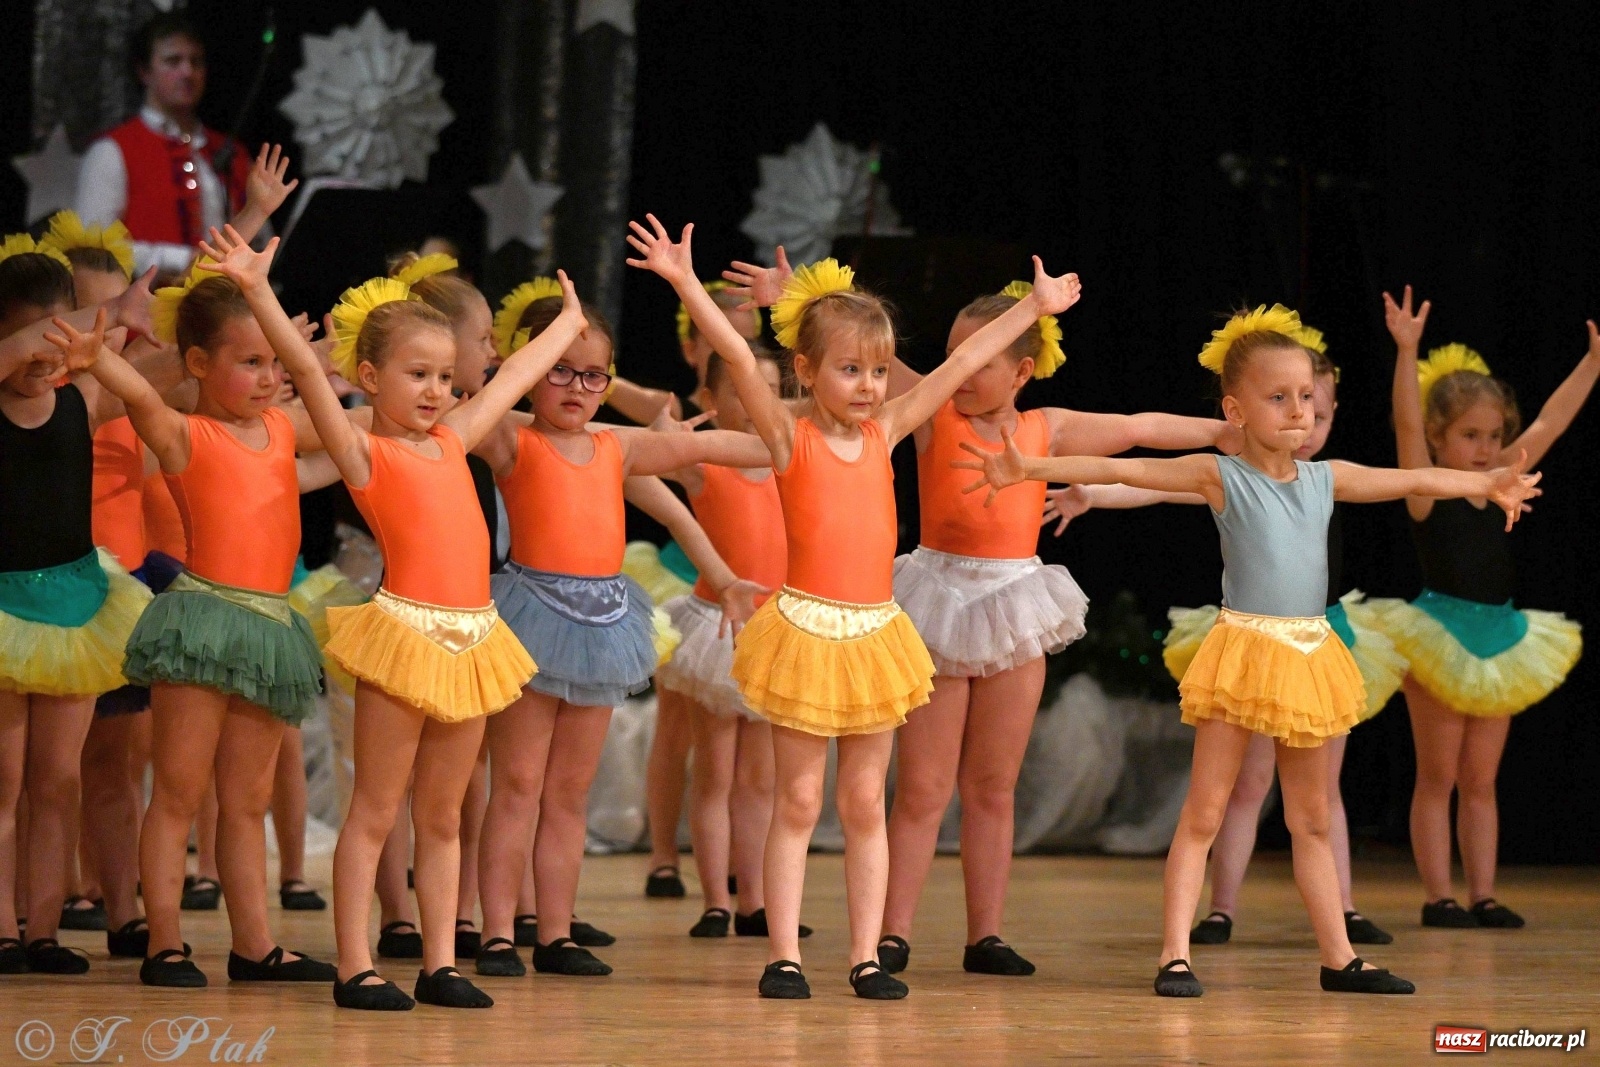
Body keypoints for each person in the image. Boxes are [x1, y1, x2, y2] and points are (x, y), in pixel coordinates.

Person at [955, 303, 1539, 997]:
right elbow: (1136, 470)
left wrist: (1483, 481)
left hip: (1308, 655)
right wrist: (1031, 465)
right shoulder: (1219, 474)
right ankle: (1176, 952)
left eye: (1305, 398)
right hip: (1244, 652)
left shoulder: (1326, 479)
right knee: (1205, 808)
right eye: (1279, 397)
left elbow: (1413, 479)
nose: (1297, 410)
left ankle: (1339, 955)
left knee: (1312, 816)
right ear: (1236, 409)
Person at [631, 211, 1080, 1001]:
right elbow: (737, 352)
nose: (870, 387)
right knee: (800, 797)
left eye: (877, 373)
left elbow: (967, 358)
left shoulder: (893, 429)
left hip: (875, 633)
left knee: (865, 799)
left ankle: (867, 955)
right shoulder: (787, 436)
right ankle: (783, 954)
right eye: (850, 372)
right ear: (806, 371)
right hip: (806, 628)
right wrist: (685, 283)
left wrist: (1033, 311)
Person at [1373, 287, 1591, 929]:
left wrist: (1592, 367)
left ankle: (1483, 894)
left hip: (1499, 635)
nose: (1487, 449)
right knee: (1437, 775)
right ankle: (1440, 894)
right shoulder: (1424, 493)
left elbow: (1549, 423)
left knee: (1481, 780)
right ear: (1441, 439)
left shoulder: (1504, 483)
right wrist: (1407, 351)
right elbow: (1406, 426)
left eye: (1495, 436)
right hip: (1439, 632)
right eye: (1470, 436)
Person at [76, 14, 285, 278]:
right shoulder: (112, 150)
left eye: (196, 62)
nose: (187, 72)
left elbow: (262, 240)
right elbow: (93, 250)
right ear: (144, 72)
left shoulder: (231, 150)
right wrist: (186, 259)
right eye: (173, 61)